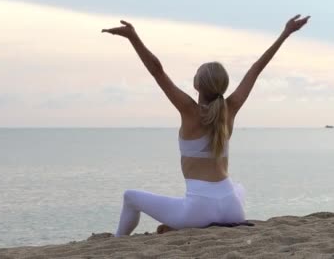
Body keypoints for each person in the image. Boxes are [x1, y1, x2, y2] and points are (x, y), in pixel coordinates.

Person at [101, 15, 311, 236]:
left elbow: (157, 71)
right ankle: (176, 225)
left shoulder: (189, 111)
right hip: (233, 209)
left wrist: (133, 37)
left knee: (130, 197)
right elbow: (256, 68)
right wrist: (285, 33)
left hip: (198, 210)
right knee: (238, 188)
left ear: (197, 85)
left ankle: (118, 240)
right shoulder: (231, 108)